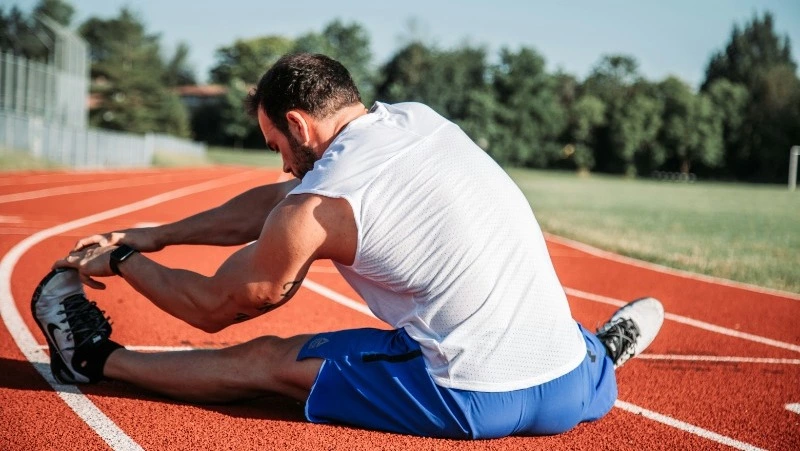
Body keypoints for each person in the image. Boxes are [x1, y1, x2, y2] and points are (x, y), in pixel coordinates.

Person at [32, 53, 664, 439]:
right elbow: (281, 203)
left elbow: (215, 305)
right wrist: (156, 235)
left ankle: (93, 361)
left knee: (265, 361)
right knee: (524, 302)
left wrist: (123, 259)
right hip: (570, 390)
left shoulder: (315, 206)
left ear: (300, 126)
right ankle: (600, 355)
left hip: (470, 395)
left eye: (276, 145)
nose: (280, 164)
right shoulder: (416, 120)